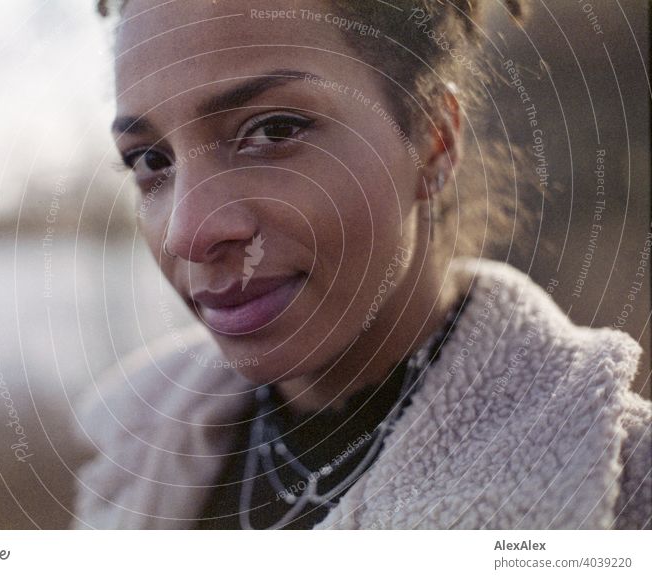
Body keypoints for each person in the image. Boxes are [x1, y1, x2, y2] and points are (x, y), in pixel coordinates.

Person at [71, 0, 651, 529]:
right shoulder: (132, 466)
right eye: (151, 159)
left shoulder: (622, 493)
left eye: (274, 130)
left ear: (433, 138)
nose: (188, 233)